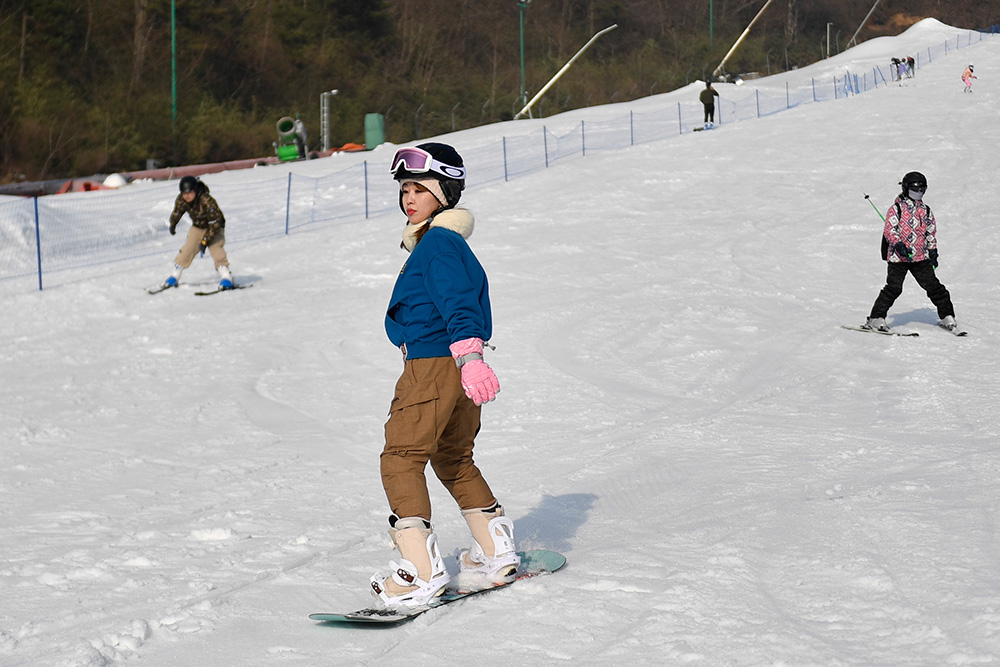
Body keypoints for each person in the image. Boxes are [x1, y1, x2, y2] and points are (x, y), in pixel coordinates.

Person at [369, 142, 520, 608]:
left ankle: (419, 573)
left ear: (444, 192)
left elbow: (457, 301)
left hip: (434, 366)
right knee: (453, 456)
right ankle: (496, 551)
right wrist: (467, 359)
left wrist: (470, 354)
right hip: (454, 367)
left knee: (401, 458)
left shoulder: (436, 244)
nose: (409, 198)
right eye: (404, 189)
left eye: (419, 188)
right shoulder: (444, 241)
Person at [862, 171, 958, 333]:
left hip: (920, 257)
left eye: (922, 189)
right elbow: (889, 230)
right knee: (894, 288)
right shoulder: (896, 208)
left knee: (934, 287)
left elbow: (930, 232)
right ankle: (876, 318)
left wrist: (933, 252)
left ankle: (947, 315)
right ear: (906, 189)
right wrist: (898, 244)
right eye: (915, 189)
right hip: (898, 258)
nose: (919, 193)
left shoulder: (926, 210)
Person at [160, 176, 234, 289]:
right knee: (187, 249)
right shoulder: (182, 199)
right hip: (198, 226)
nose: (186, 196)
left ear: (195, 190)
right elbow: (178, 211)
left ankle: (227, 277)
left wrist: (205, 241)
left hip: (214, 227)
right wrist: (173, 223)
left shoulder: (207, 200)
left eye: (189, 192)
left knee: (216, 248)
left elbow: (215, 223)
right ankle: (175, 276)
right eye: (184, 193)